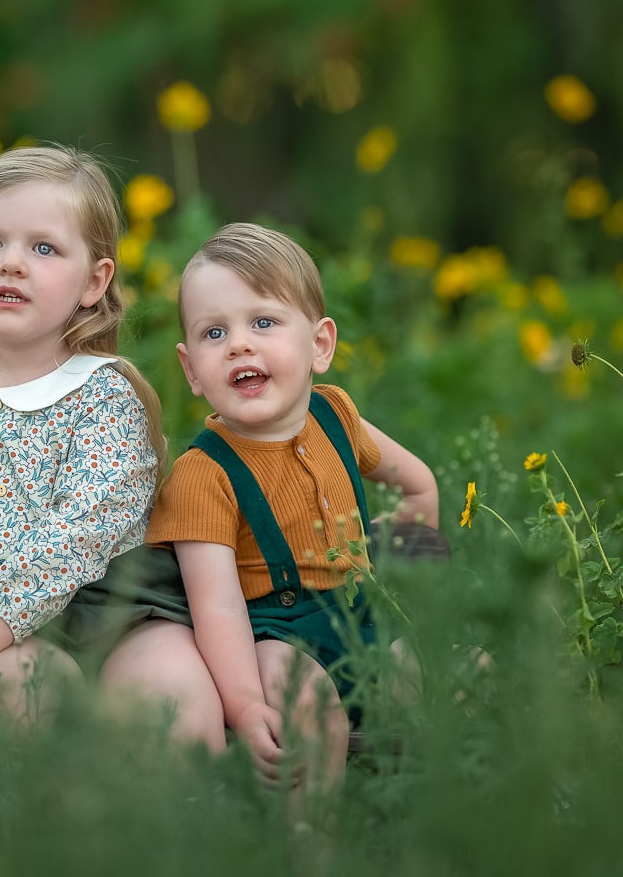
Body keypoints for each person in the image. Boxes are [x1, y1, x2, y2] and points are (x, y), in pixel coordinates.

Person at [0, 144, 221, 742]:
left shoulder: (104, 395)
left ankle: (176, 827)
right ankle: (47, 827)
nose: (12, 263)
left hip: (120, 614)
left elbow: (75, 536)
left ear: (94, 282)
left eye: (43, 248)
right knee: (17, 691)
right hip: (1, 630)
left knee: (175, 704)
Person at [144, 222, 440, 791]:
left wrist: (401, 538)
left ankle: (408, 815)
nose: (239, 344)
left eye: (263, 322)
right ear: (191, 371)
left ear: (319, 345)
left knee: (450, 671)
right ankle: (311, 846)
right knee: (305, 703)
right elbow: (219, 609)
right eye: (213, 333)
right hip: (275, 635)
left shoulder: (336, 416)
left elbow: (419, 485)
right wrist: (246, 704)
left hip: (362, 615)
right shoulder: (202, 475)